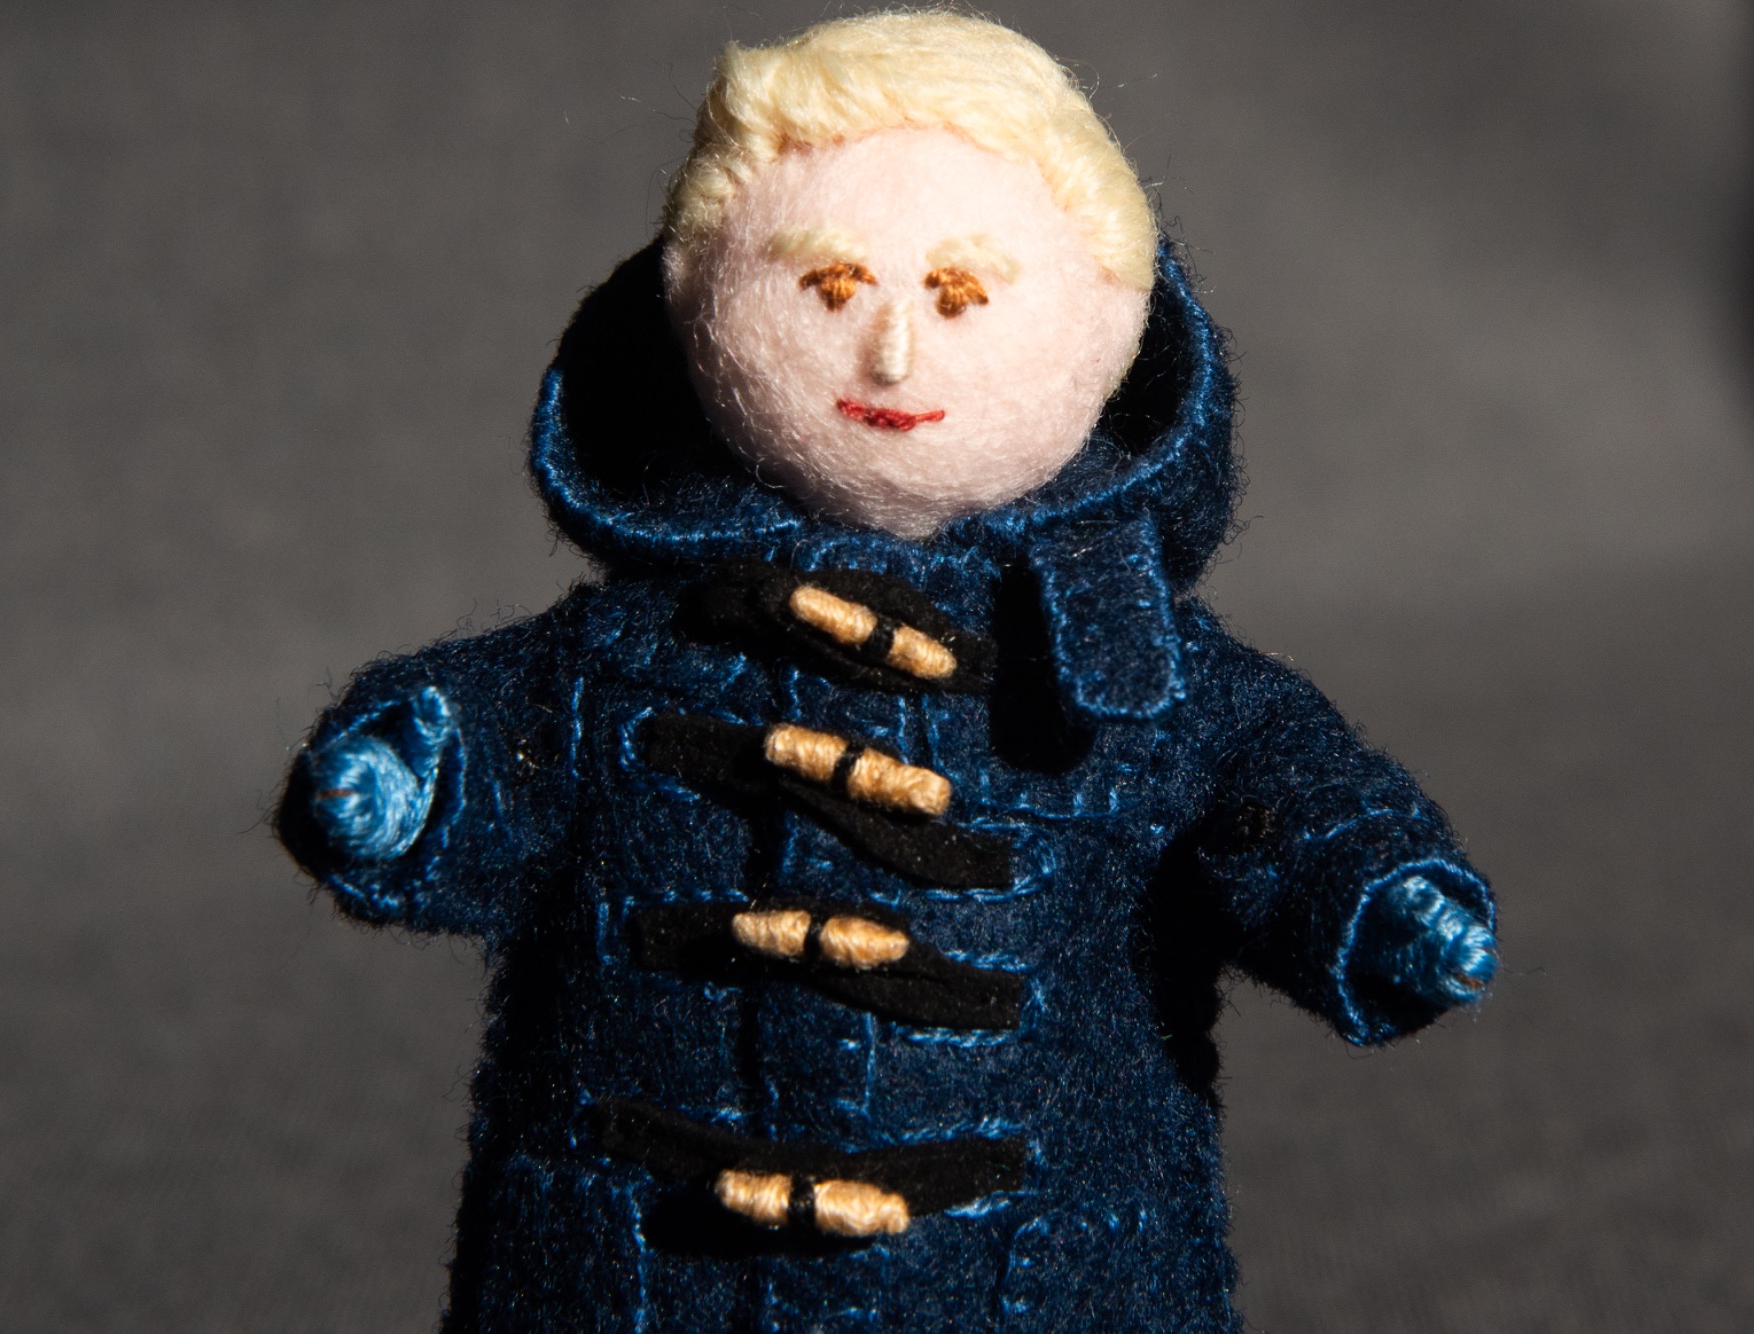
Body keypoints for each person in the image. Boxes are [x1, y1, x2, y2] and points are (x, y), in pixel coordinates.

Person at [277, 13, 1497, 1331]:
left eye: (963, 294)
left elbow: (1274, 797)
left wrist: (1376, 891)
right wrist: (405, 780)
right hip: (642, 1279)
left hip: (1044, 1276)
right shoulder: (619, 664)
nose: (896, 354)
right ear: (693, 298)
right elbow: (496, 742)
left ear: (1112, 323)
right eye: (832, 288)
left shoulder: (1135, 679)